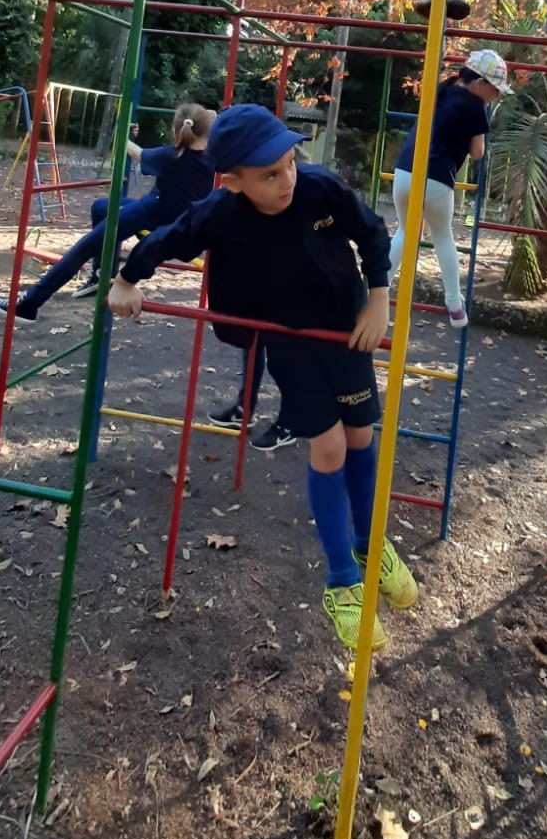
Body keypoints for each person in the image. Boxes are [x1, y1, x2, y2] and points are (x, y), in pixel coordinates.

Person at [106, 103, 416, 653]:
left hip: (346, 327)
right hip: (289, 336)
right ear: (232, 182)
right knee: (328, 447)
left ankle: (372, 545)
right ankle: (342, 579)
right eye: (269, 174)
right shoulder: (221, 211)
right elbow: (170, 236)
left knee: (361, 436)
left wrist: (378, 301)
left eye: (289, 162)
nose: (286, 178)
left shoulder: (318, 187)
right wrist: (127, 279)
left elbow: (371, 232)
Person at [0, 105, 216, 321]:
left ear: (177, 131)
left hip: (152, 213)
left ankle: (30, 303)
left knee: (83, 248)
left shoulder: (171, 156)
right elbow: (213, 115)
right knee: (100, 207)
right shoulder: (213, 157)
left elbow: (135, 152)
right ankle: (100, 274)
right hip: (177, 221)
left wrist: (121, 134)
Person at [388, 50, 512, 328]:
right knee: (443, 237)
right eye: (495, 90)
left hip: (404, 170)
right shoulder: (475, 106)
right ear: (479, 83)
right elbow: (478, 152)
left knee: (405, 232)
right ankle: (455, 304)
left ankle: (376, 289)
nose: (495, 96)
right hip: (436, 177)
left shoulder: (444, 88)